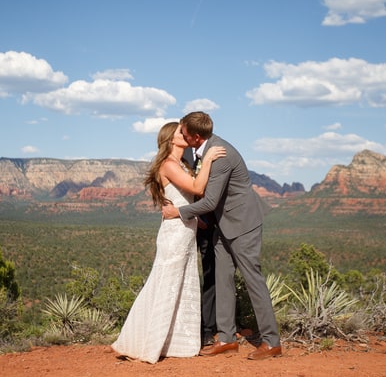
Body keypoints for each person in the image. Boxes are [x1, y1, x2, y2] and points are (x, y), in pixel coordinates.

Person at [162, 112, 282, 360]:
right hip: (223, 227)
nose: (181, 136)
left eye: (183, 132)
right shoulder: (203, 150)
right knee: (223, 278)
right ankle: (226, 338)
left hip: (242, 225)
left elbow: (210, 201)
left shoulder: (220, 155)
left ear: (195, 137)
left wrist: (178, 212)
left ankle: (271, 342)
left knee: (253, 281)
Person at [111, 121, 225, 363]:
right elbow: (197, 186)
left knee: (181, 285)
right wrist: (209, 159)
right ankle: (143, 342)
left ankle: (172, 343)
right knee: (165, 284)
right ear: (171, 139)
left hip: (185, 231)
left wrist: (196, 220)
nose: (184, 134)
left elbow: (191, 197)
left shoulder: (182, 164)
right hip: (174, 235)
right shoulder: (169, 165)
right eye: (179, 132)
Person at [182, 147, 217, 347]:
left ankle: (207, 328)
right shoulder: (180, 159)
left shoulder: (207, 155)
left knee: (209, 275)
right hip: (183, 223)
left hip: (207, 225)